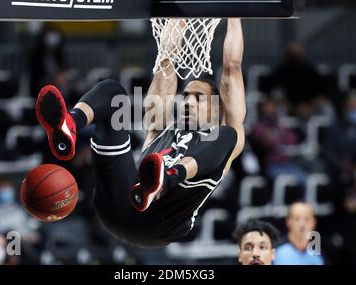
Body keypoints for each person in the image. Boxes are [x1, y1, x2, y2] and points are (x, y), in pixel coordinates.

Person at [35, 18, 246, 248]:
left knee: (228, 135)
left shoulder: (221, 135)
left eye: (198, 98)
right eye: (185, 96)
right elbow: (166, 61)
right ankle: (69, 124)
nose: (188, 103)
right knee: (113, 91)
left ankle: (168, 178)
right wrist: (178, 17)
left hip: (161, 225)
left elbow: (232, 66)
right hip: (120, 205)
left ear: (216, 108)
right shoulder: (162, 127)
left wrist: (234, 16)